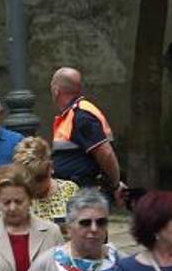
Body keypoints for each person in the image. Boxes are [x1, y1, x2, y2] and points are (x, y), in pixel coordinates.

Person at [49, 67, 124, 195]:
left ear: (56, 91)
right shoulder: (74, 114)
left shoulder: (81, 116)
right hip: (76, 191)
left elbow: (105, 153)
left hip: (84, 193)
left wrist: (115, 184)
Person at [13, 135, 78, 227]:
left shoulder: (69, 190)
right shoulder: (13, 199)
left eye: (40, 178)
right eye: (29, 180)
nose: (35, 185)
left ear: (50, 167)